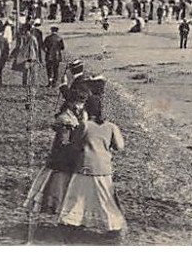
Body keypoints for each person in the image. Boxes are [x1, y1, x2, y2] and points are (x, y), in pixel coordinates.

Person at [58, 101, 126, 237]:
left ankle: (73, 221)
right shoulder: (112, 126)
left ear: (87, 111)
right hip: (104, 167)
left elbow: (74, 145)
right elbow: (120, 147)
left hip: (85, 166)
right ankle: (113, 225)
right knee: (104, 197)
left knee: (76, 196)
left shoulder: (84, 125)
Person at [25, 90, 86, 214]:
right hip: (63, 152)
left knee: (57, 179)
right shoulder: (66, 118)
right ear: (73, 103)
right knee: (58, 180)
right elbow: (64, 140)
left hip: (63, 150)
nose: (82, 106)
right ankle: (55, 204)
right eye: (80, 103)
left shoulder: (73, 115)